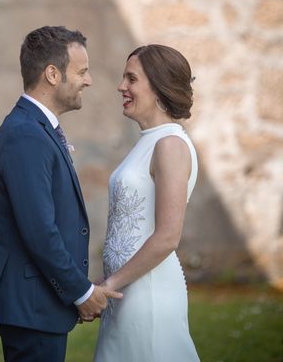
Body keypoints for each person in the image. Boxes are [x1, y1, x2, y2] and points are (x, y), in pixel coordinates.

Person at [0, 26, 123, 362]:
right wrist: (82, 291)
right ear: (52, 74)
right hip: (31, 305)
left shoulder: (36, 128)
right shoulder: (25, 134)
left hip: (39, 305)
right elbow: (39, 230)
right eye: (83, 71)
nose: (88, 81)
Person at [94, 44, 200, 361]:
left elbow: (168, 236)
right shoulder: (149, 141)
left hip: (148, 292)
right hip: (126, 292)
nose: (121, 87)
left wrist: (110, 284)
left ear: (158, 87)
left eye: (131, 79)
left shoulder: (170, 145)